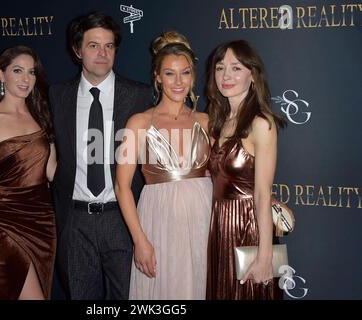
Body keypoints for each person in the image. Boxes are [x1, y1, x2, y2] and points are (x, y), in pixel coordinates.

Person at [49, 12, 153, 299]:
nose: (102, 53)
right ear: (77, 50)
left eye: (109, 46)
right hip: (75, 220)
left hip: (123, 218)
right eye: (93, 45)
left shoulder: (139, 96)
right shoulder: (57, 97)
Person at [115, 31, 212, 299]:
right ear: (157, 77)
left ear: (193, 76)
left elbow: (226, 175)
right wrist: (139, 239)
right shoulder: (139, 122)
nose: (178, 81)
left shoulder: (205, 121)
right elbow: (122, 187)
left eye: (185, 73)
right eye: (169, 73)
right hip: (159, 220)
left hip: (203, 218)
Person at [0, 45, 57, 300]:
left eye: (31, 72)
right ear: (1, 75)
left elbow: (52, 172)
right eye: (17, 71)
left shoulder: (40, 116)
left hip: (43, 222)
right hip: (6, 222)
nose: (26, 79)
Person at [205, 40, 286, 300]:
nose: (226, 75)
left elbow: (263, 193)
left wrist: (265, 257)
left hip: (247, 227)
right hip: (220, 225)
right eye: (220, 68)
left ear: (252, 75)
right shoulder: (218, 120)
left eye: (236, 68)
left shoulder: (261, 122)